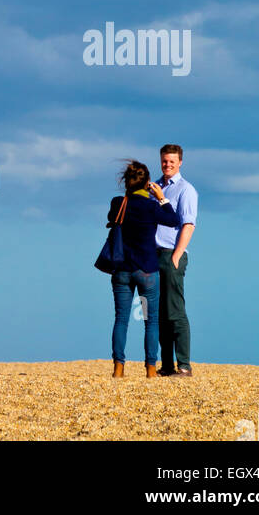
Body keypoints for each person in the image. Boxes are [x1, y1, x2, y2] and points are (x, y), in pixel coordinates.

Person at [107, 159, 179, 379]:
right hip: (147, 271)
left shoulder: (119, 202)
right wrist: (161, 198)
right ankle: (150, 368)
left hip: (122, 271)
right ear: (148, 183)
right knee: (150, 320)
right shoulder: (151, 207)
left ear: (126, 183)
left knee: (121, 319)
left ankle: (118, 368)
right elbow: (173, 219)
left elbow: (112, 219)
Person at [155, 143, 198, 377]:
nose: (167, 164)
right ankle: (167, 365)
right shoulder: (156, 187)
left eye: (172, 161)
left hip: (172, 254)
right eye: (164, 160)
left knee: (176, 311)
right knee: (160, 313)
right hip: (153, 255)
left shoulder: (185, 189)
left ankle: (184, 365)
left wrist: (176, 256)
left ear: (180, 162)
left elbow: (188, 224)